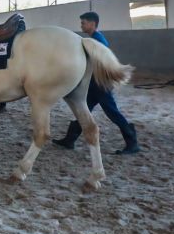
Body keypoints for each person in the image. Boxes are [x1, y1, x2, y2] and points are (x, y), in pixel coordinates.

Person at [53, 11, 140, 154]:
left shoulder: (98, 41)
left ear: (92, 24)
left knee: (112, 113)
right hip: (94, 84)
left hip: (100, 85)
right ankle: (70, 140)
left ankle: (132, 141)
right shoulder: (94, 39)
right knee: (83, 110)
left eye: (83, 23)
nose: (81, 25)